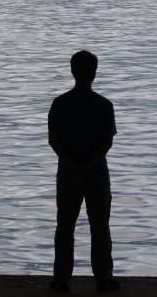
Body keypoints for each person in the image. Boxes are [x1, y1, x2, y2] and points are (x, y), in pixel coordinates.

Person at [48, 50, 120, 293]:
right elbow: (106, 143)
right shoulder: (103, 105)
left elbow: (54, 141)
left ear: (72, 71)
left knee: (65, 226)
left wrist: (74, 167)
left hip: (67, 175)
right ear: (94, 74)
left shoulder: (60, 104)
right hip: (97, 176)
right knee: (99, 227)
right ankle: (103, 278)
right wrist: (87, 168)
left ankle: (60, 279)